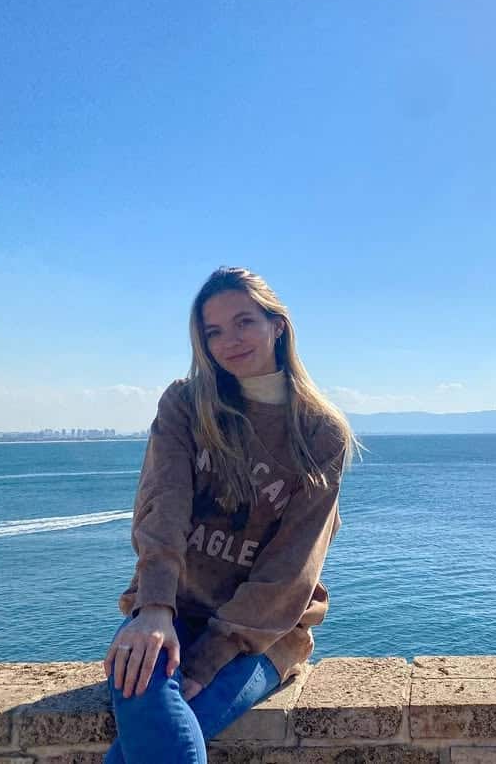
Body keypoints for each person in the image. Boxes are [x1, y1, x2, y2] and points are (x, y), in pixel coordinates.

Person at [102, 266, 356, 763]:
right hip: (170, 610)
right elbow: (163, 505)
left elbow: (292, 567)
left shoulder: (319, 432)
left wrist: (212, 654)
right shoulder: (186, 404)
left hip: (262, 634)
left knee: (165, 736)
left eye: (244, 322)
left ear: (276, 325)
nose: (229, 341)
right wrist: (154, 608)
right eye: (213, 331)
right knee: (155, 717)